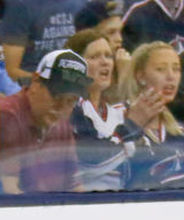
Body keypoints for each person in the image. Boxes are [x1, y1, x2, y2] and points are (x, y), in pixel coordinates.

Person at [66, 28, 162, 190]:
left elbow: (146, 160)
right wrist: (132, 127)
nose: (105, 62)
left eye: (108, 56)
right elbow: (93, 161)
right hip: (84, 204)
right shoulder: (70, 108)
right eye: (94, 57)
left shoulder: (118, 112)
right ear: (75, 66)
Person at [0, 48, 91, 193]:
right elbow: (8, 191)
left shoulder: (62, 126)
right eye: (56, 96)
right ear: (35, 81)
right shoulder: (8, 116)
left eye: (70, 101)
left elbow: (75, 187)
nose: (61, 107)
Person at [121, 40, 184, 188]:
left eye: (176, 69)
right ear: (140, 76)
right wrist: (131, 126)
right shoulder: (117, 117)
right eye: (161, 69)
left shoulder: (179, 131)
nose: (171, 77)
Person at [0, 0, 87, 83]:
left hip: (76, 82)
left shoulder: (81, 4)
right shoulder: (21, 6)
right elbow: (12, 71)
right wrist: (49, 84)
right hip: (32, 87)